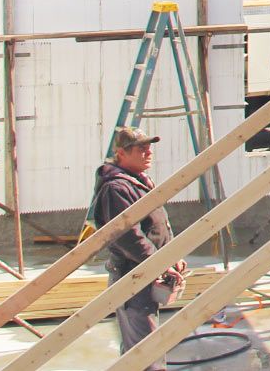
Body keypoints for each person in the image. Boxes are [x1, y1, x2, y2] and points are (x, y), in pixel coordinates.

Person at [90, 127, 184, 371]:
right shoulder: (116, 188)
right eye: (141, 148)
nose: (148, 152)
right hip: (133, 278)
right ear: (121, 153)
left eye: (149, 147)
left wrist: (172, 256)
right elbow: (128, 236)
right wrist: (160, 263)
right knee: (145, 353)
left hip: (146, 274)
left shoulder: (139, 182)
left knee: (143, 347)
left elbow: (159, 223)